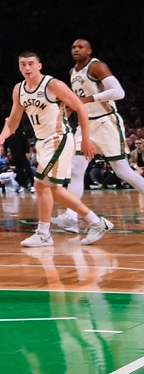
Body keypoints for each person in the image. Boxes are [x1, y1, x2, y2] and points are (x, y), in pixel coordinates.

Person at [0, 51, 112, 247]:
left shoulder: (53, 85)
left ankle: (43, 233)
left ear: (39, 66)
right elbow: (13, 121)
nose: (27, 67)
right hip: (42, 142)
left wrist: (86, 138)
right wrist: (2, 137)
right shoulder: (19, 89)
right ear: (19, 67)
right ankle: (97, 223)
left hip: (59, 139)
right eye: (23, 64)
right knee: (54, 189)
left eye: (31, 63)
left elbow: (80, 108)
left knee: (40, 185)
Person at [52, 39, 143, 232]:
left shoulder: (97, 66)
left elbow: (119, 92)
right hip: (85, 124)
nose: (76, 50)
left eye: (80, 47)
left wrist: (88, 98)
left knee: (123, 172)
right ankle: (71, 216)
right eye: (73, 47)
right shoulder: (72, 72)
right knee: (76, 169)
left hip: (106, 122)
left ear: (89, 50)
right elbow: (77, 102)